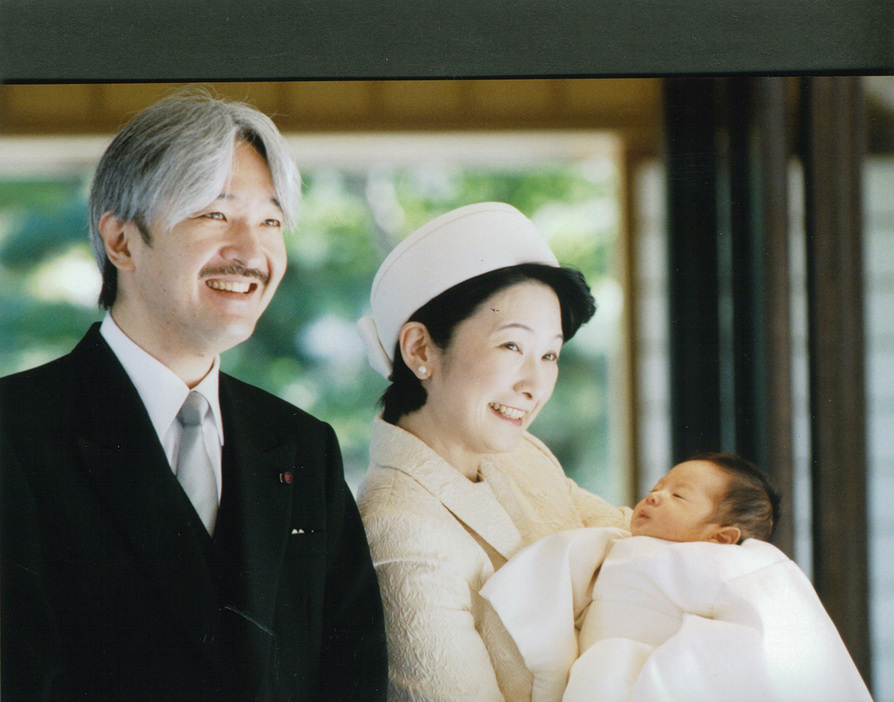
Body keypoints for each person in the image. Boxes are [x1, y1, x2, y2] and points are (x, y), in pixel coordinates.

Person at [0, 91, 388, 701]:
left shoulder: (303, 447)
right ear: (122, 242)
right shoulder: (14, 432)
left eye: (271, 221)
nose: (253, 251)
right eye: (214, 214)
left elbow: (353, 675)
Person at [354, 202, 631, 701]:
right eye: (511, 347)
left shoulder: (520, 452)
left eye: (550, 354)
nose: (534, 384)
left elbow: (634, 535)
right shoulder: (398, 530)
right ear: (420, 350)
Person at [481, 454, 872, 702]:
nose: (654, 496)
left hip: (658, 677)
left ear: (719, 537)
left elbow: (761, 627)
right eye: (657, 487)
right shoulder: (614, 542)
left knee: (609, 668)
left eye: (678, 497)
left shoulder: (718, 562)